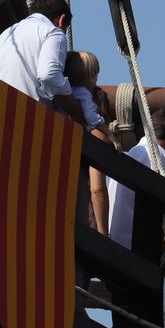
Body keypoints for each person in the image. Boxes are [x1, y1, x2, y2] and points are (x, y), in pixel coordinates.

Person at [105, 108, 165, 328]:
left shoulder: (133, 154)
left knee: (123, 325)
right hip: (135, 257)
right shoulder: (155, 161)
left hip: (114, 251)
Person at [0, 0, 86, 124]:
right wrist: (77, 112)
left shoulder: (6, 34)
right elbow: (49, 76)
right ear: (61, 20)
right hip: (17, 129)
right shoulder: (53, 32)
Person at [65, 51, 113, 234]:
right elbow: (97, 188)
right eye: (95, 75)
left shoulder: (60, 115)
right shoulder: (94, 130)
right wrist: (104, 234)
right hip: (84, 216)